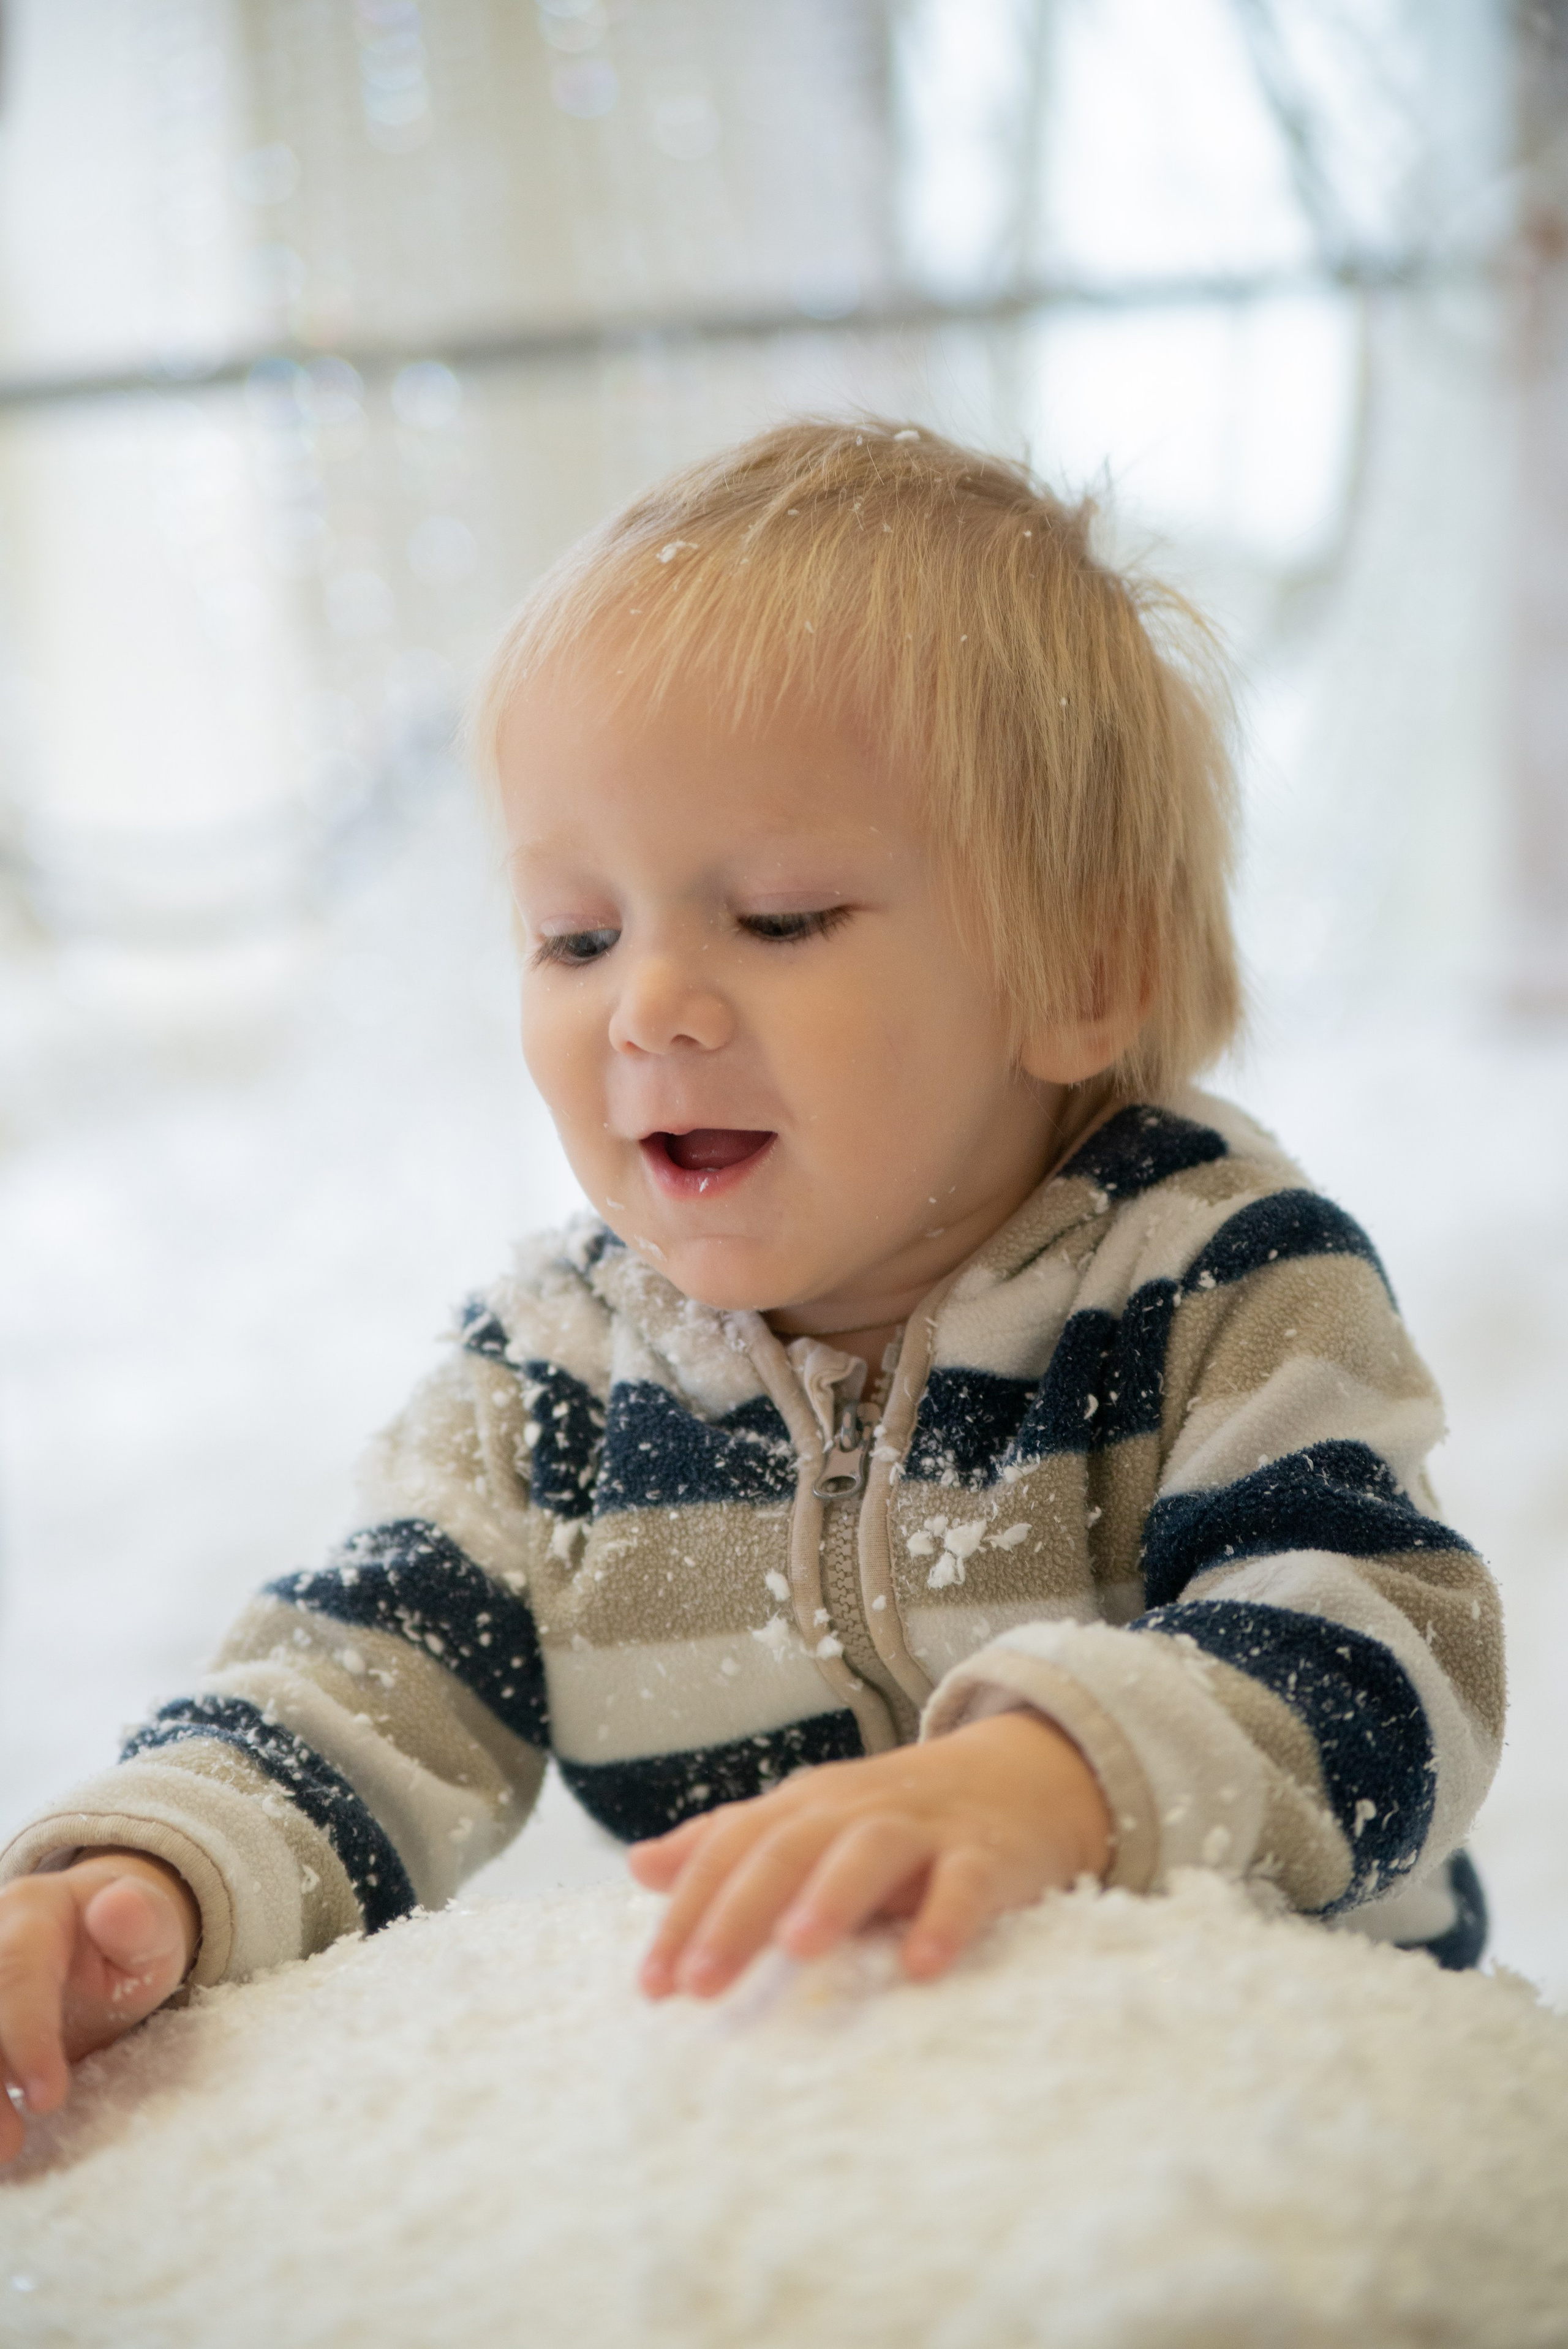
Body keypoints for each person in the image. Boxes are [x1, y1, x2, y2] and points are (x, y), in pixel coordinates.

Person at [0, 421, 1502, 2159]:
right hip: (831, 2140)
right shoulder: (559, 1378)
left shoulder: (1212, 1275)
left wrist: (1051, 1777)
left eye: (778, 917)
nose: (647, 1006)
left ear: (1083, 971)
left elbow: (1389, 1651)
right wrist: (143, 1874)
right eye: (575, 935)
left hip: (1266, 2112)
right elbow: (362, 1682)